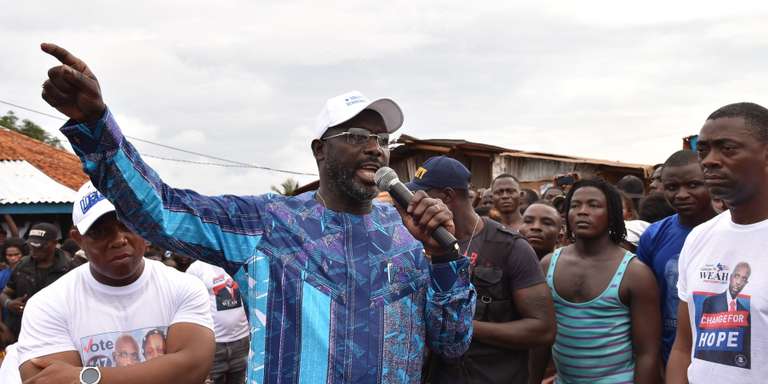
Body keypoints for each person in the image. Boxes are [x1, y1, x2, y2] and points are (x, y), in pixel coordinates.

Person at [40, 43, 474, 384]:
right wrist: (96, 125)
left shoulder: (407, 234)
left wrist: (443, 260)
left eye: (383, 139)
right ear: (320, 150)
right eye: (357, 134)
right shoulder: (266, 224)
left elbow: (452, 344)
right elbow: (161, 211)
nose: (375, 148)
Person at [15, 181, 215, 383]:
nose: (119, 239)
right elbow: (46, 380)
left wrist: (88, 377)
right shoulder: (47, 304)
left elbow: (191, 368)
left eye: (127, 225)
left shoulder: (184, 286)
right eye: (101, 231)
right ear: (78, 239)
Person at [407, 156, 554, 383]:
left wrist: (460, 326)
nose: (412, 203)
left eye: (421, 196)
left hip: (493, 376)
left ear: (446, 196)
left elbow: (542, 328)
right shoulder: (416, 243)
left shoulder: (510, 247)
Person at [667, 102, 768, 382]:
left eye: (727, 149)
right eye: (703, 151)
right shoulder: (699, 238)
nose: (709, 160)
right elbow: (684, 346)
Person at [531, 179, 661, 384]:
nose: (582, 211)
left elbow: (648, 353)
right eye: (575, 205)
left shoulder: (635, 273)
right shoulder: (548, 265)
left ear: (612, 215)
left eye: (594, 205)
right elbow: (540, 340)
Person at [636, 150, 716, 366]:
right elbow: (645, 307)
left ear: (710, 182)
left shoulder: (730, 230)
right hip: (669, 356)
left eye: (693, 185)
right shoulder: (653, 236)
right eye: (672, 187)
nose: (681, 194)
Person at [0, 223, 73, 338]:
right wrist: (9, 304)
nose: (34, 250)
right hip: (23, 333)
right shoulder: (22, 265)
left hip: (58, 333)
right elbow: (4, 293)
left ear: (54, 243)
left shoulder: (70, 268)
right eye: (31, 246)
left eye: (40, 246)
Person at [187, 260, 250, 384]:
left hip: (242, 342)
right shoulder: (197, 268)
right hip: (213, 345)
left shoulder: (242, 261)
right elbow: (188, 308)